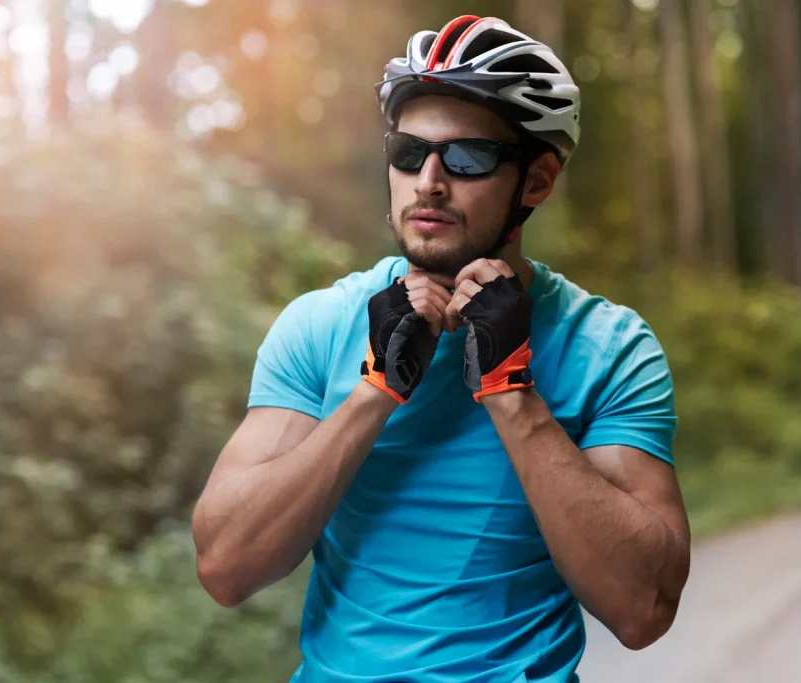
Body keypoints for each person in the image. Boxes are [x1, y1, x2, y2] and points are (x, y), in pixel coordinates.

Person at [192, 14, 690, 683]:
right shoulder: (320, 325)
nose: (428, 181)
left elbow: (644, 607)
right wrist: (376, 390)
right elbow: (225, 564)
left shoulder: (609, 347)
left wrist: (513, 393)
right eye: (408, 153)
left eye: (467, 158)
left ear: (537, 182)